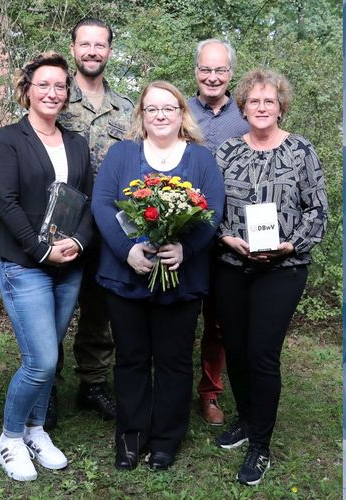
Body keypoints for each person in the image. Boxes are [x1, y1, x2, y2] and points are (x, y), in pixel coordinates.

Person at [91, 81, 224, 471]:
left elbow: (213, 211)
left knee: (174, 361)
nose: (161, 115)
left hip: (179, 279)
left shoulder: (200, 160)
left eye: (169, 108)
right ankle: (130, 438)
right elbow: (101, 204)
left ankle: (166, 439)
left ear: (182, 113)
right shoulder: (122, 154)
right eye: (152, 109)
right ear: (142, 116)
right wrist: (127, 250)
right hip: (126, 276)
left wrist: (185, 248)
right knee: (130, 358)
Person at [213, 68, 328, 485]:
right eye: (254, 101)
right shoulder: (226, 151)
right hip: (232, 265)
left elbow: (318, 210)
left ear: (281, 107)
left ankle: (260, 445)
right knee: (237, 350)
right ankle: (246, 419)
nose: (262, 108)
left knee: (262, 353)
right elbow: (208, 207)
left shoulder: (301, 151)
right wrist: (226, 238)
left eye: (270, 101)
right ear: (242, 107)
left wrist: (290, 244)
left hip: (283, 268)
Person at [0, 51, 93, 482]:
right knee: (42, 359)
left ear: (67, 94)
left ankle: (35, 430)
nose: (52, 92)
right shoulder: (8, 140)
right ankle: (10, 438)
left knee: (50, 354)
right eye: (43, 85)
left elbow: (87, 201)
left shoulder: (77, 143)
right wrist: (41, 250)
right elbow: (6, 204)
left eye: (60, 86)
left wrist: (78, 242)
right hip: (25, 265)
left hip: (68, 266)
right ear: (27, 91)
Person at [49, 17, 134, 427]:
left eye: (100, 45)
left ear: (109, 52)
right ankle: (45, 386)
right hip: (62, 226)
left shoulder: (127, 109)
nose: (93, 51)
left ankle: (93, 383)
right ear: (74, 47)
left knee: (101, 310)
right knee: (53, 310)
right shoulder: (54, 98)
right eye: (86, 43)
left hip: (110, 229)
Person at [185, 39, 250, 426]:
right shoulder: (180, 111)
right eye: (206, 69)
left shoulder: (245, 116)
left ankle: (209, 393)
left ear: (230, 74)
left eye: (220, 70)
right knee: (177, 312)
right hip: (183, 231)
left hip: (229, 233)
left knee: (220, 320)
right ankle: (171, 385)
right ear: (196, 71)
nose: (212, 77)